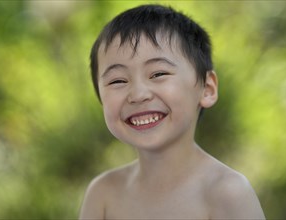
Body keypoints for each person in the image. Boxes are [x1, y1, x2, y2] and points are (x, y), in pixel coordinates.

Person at [80, 4, 265, 220]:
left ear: (207, 88)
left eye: (158, 73)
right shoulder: (103, 194)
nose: (138, 94)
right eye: (118, 80)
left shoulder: (227, 192)